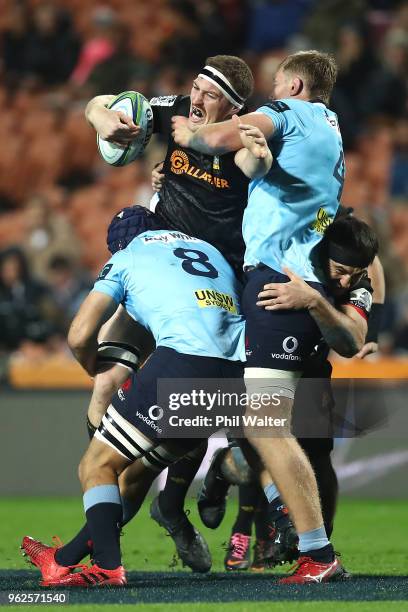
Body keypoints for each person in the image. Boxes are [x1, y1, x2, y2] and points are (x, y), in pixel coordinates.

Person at [172, 49, 354, 583]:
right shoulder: (330, 128)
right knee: (285, 430)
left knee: (264, 424)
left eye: (276, 83)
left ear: (294, 84)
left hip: (280, 283)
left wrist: (186, 134)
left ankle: (317, 554)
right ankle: (305, 542)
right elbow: (259, 162)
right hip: (303, 280)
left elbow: (221, 136)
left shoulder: (289, 114)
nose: (271, 93)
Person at [81, 54, 257, 570]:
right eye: (196, 86)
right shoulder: (176, 108)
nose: (196, 100)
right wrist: (103, 119)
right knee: (106, 383)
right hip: (162, 265)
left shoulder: (246, 144)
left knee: (193, 428)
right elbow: (103, 103)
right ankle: (108, 487)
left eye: (210, 94)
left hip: (215, 288)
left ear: (235, 107)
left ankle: (171, 508)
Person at [21, 206, 246, 588]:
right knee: (136, 475)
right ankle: (62, 560)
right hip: (239, 375)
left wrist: (91, 362)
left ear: (117, 246)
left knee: (96, 466)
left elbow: (78, 335)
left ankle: (108, 568)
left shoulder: (127, 257)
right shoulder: (209, 250)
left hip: (184, 364)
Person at [199, 214, 382, 571]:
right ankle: (221, 471)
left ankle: (319, 549)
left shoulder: (357, 283)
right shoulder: (284, 256)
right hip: (260, 362)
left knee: (319, 461)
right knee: (252, 463)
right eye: (340, 269)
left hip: (311, 372)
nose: (346, 280)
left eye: (355, 273)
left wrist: (313, 301)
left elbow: (352, 340)